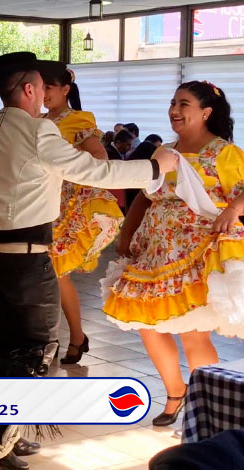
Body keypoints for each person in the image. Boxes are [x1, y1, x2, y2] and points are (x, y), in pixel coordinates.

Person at [0, 51, 177, 470]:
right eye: (41, 87)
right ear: (30, 90)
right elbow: (96, 172)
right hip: (26, 261)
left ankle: (6, 434)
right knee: (34, 350)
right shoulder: (39, 132)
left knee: (9, 346)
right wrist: (156, 168)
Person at [104, 81, 244, 428]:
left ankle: (208, 405)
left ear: (206, 112)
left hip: (196, 251)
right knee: (148, 326)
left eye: (184, 104)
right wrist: (127, 232)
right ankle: (175, 392)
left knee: (193, 332)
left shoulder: (223, 152)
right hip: (155, 249)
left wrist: (232, 210)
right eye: (172, 103)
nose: (175, 110)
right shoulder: (164, 152)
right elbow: (144, 195)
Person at [41, 67, 125, 366]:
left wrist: (69, 168)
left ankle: (69, 336)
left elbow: (100, 157)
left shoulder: (78, 119)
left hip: (67, 204)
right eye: (40, 87)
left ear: (65, 89)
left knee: (55, 272)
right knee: (45, 274)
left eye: (49, 87)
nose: (44, 93)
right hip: (39, 201)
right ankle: (61, 337)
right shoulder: (37, 120)